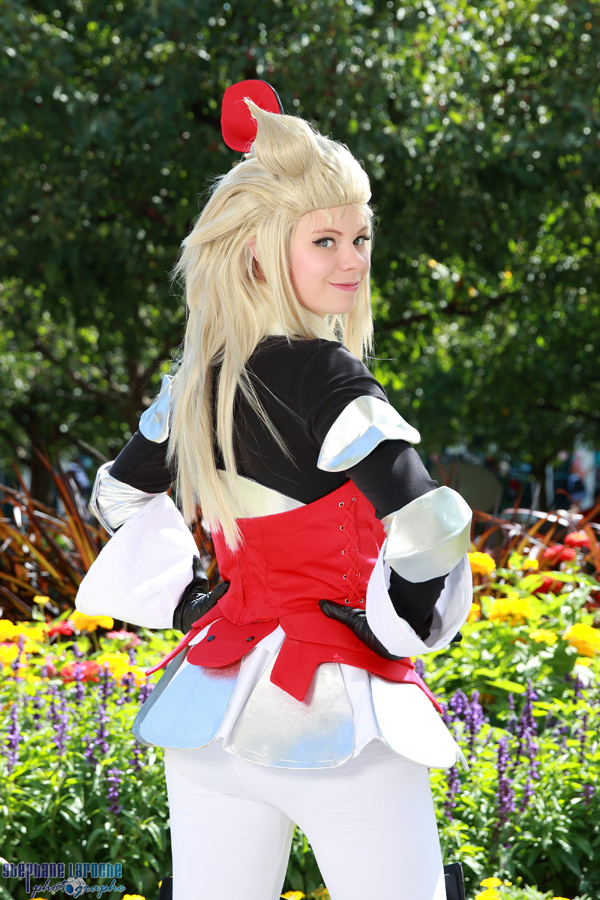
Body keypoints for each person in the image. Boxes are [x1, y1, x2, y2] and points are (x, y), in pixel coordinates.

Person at [78, 82, 472, 900]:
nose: (353, 260)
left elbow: (116, 498)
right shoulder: (328, 375)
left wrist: (190, 603)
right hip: (338, 726)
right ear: (258, 251)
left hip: (210, 710)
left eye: (360, 237)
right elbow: (432, 525)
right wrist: (390, 625)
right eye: (324, 240)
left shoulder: (196, 380)